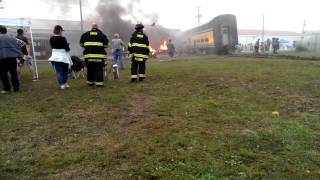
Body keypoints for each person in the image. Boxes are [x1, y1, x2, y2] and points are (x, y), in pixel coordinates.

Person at [0, 25, 25, 93]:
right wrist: (16, 49)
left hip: (2, 58)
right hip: (12, 57)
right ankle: (16, 88)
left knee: (3, 74)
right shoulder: (12, 37)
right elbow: (22, 43)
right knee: (13, 73)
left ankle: (7, 89)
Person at [48, 25, 72, 90]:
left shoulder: (51, 38)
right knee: (65, 71)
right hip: (63, 56)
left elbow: (52, 47)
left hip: (55, 56)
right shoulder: (63, 38)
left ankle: (62, 85)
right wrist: (67, 46)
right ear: (60, 31)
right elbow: (67, 49)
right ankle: (65, 83)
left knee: (59, 71)